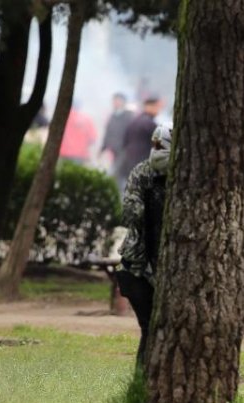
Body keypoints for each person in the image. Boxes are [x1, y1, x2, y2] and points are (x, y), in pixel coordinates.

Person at [115, 125, 172, 368]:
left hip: (167, 269)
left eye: (162, 146)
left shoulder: (185, 176)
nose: (156, 150)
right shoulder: (142, 173)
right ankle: (144, 382)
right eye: (154, 145)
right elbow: (129, 214)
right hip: (137, 269)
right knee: (150, 327)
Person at [117, 96, 162, 186]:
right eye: (157, 107)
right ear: (149, 106)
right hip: (143, 162)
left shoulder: (134, 121)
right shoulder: (150, 124)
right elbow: (158, 146)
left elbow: (124, 141)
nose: (158, 110)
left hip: (129, 160)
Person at [100, 93, 133, 184]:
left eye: (118, 100)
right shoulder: (112, 116)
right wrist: (103, 148)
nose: (115, 103)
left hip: (125, 150)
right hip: (114, 150)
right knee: (115, 172)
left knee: (118, 173)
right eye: (114, 100)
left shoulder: (129, 116)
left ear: (123, 102)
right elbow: (108, 132)